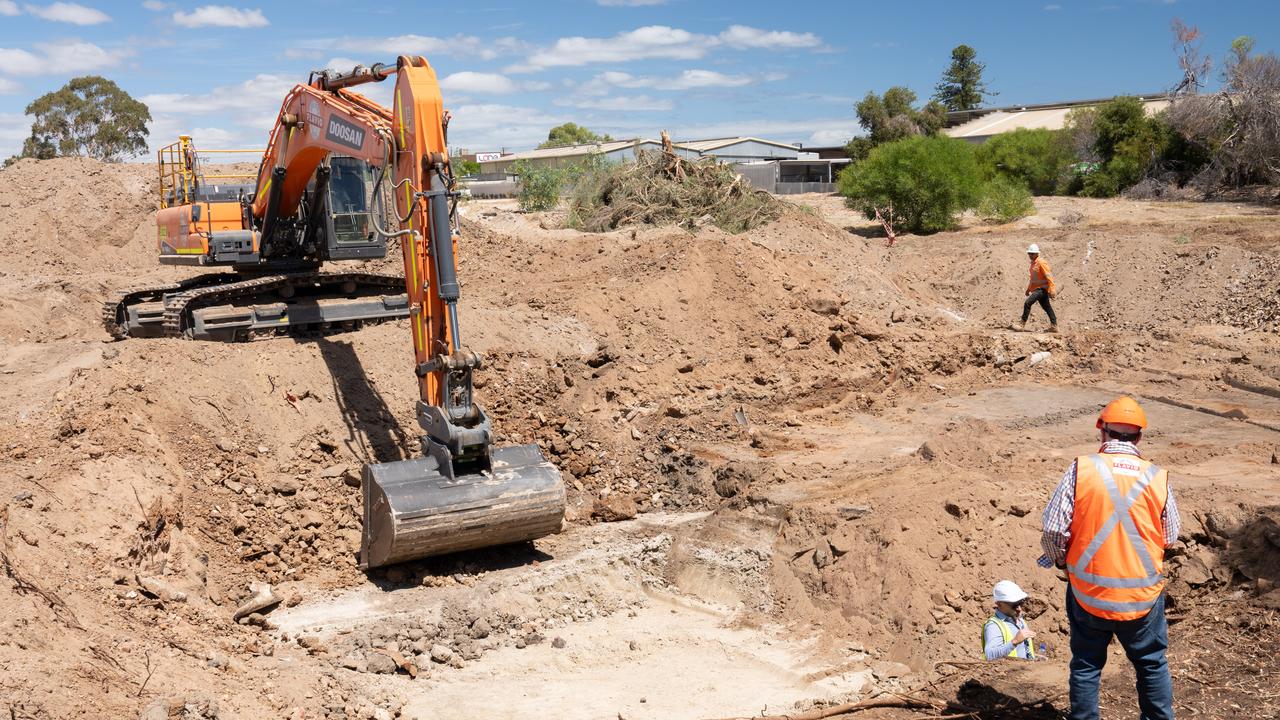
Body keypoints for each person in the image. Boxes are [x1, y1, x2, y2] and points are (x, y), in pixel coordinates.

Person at [1040, 396, 1181, 720]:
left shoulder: (1081, 469)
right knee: (1151, 664)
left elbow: (1052, 532)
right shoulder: (1157, 476)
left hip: (1089, 596)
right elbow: (1170, 536)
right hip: (1141, 599)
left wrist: (1061, 561)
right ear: (1139, 438)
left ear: (1102, 432)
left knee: (1087, 665)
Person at [983, 580, 1037, 661]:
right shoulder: (993, 626)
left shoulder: (1020, 621)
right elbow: (990, 655)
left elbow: (1019, 651)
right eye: (1014, 605)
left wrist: (1034, 657)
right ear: (999, 604)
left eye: (1020, 603)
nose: (1019, 608)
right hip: (1008, 673)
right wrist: (1014, 642)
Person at [1021, 243, 1058, 333]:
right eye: (1029, 253)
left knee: (1027, 303)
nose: (1030, 255)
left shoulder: (1041, 263)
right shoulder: (1033, 264)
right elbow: (1033, 279)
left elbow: (1049, 276)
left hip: (1042, 289)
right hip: (1037, 289)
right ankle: (1054, 326)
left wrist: (1052, 289)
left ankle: (1021, 324)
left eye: (1032, 253)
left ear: (1037, 254)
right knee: (1047, 307)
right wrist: (1028, 289)